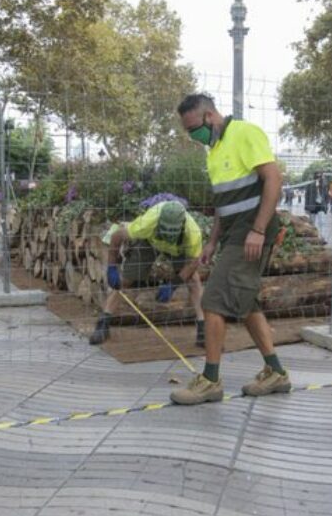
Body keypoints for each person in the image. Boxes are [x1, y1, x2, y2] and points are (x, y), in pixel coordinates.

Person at [171, 93, 289, 405]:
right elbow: (224, 203)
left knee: (213, 301)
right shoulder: (214, 152)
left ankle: (210, 380)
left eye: (194, 128)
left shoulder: (244, 133)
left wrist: (258, 230)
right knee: (246, 302)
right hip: (234, 233)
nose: (192, 136)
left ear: (210, 116)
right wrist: (211, 241)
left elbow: (273, 178)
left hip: (253, 230)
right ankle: (276, 372)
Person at [89, 200, 206, 348]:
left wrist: (173, 284)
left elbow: (194, 262)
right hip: (150, 242)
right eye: (165, 231)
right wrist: (112, 267)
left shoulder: (193, 232)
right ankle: (103, 324)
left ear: (181, 227)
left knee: (193, 280)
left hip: (178, 249)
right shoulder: (147, 223)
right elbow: (117, 236)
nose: (168, 235)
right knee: (125, 280)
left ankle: (203, 329)